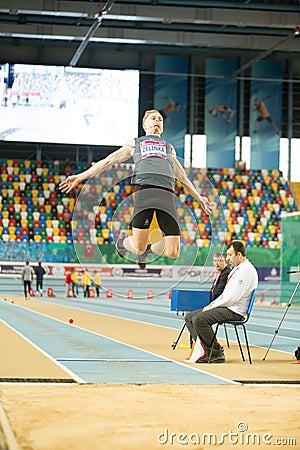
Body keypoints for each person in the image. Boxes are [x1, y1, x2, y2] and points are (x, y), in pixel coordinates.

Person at [59, 109, 215, 269]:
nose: (157, 121)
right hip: (145, 193)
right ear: (144, 124)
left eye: (160, 119)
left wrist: (200, 198)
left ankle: (148, 248)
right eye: (153, 118)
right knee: (138, 247)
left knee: (173, 251)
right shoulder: (135, 143)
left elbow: (182, 177)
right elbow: (107, 161)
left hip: (167, 195)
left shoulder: (169, 148)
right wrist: (80, 177)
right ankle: (123, 242)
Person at [184, 241, 258, 364]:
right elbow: (227, 295)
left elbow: (233, 298)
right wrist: (211, 305)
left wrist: (213, 305)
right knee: (189, 317)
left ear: (239, 255)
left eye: (230, 255)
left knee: (199, 319)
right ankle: (205, 351)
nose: (228, 258)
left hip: (235, 311)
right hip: (229, 306)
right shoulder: (238, 269)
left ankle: (216, 353)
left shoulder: (246, 270)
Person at [184, 252, 231, 360]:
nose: (217, 263)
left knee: (196, 318)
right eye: (215, 261)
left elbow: (218, 293)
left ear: (226, 261)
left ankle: (213, 350)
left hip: (221, 306)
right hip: (214, 303)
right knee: (188, 317)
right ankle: (203, 347)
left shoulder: (226, 273)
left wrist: (204, 301)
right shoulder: (219, 273)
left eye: (220, 261)